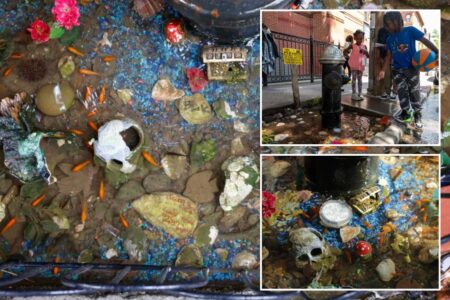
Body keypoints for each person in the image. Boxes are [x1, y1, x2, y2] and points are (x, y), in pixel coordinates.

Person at [378, 11, 439, 128]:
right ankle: (406, 112)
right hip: (397, 70)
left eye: (388, 24)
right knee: (401, 92)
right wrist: (383, 70)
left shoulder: (410, 30)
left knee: (414, 92)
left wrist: (437, 51)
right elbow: (389, 56)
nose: (386, 27)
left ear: (397, 22)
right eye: (385, 25)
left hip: (412, 68)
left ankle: (417, 115)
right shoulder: (389, 39)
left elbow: (425, 41)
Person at [345, 29, 369, 101]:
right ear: (354, 38)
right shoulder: (352, 46)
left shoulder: (364, 46)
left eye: (361, 38)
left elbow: (368, 56)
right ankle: (353, 94)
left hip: (360, 66)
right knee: (354, 80)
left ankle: (360, 93)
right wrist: (349, 57)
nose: (359, 40)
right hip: (354, 66)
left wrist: (365, 51)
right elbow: (344, 51)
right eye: (358, 38)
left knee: (360, 80)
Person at [376, 26, 397, 101]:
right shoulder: (381, 30)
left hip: (394, 58)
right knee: (385, 76)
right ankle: (386, 92)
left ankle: (394, 93)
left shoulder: (395, 31)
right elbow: (378, 46)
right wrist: (379, 58)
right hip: (385, 57)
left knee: (394, 76)